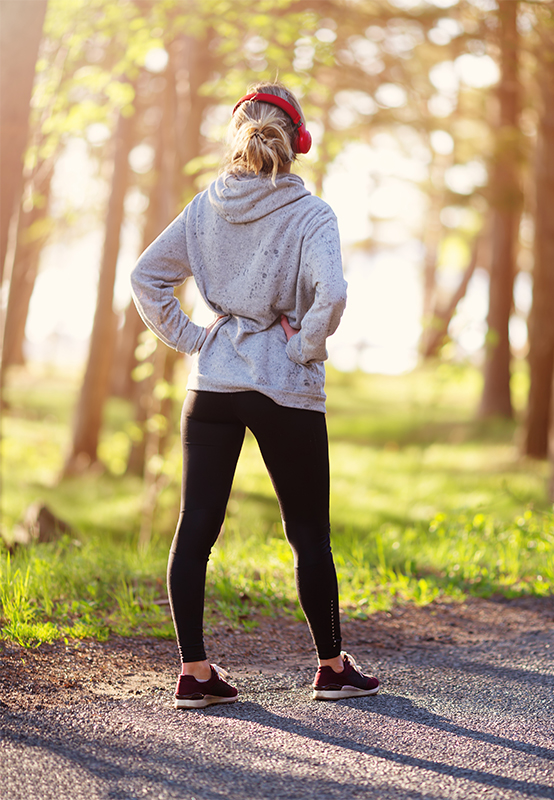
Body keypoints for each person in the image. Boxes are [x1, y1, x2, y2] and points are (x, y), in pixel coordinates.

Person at [131, 82, 380, 709]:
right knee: (307, 536)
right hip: (283, 389)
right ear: (298, 143)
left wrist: (193, 338)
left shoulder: (203, 208)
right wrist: (302, 349)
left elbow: (146, 277)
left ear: (237, 136)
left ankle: (195, 673)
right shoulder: (311, 214)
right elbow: (334, 294)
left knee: (195, 532)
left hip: (210, 384)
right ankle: (329, 667)